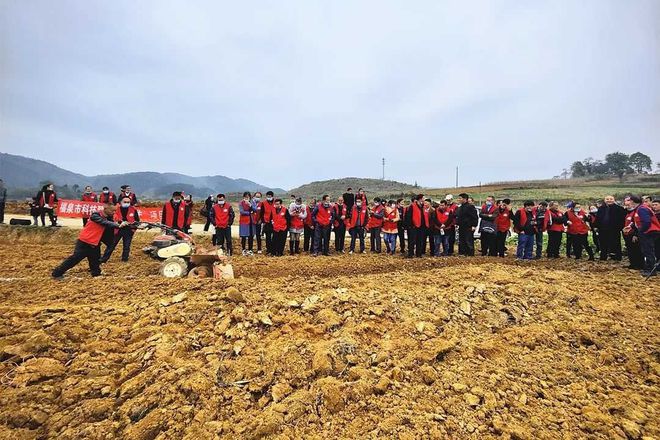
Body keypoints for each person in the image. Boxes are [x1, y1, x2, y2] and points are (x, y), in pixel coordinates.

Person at [52, 204, 129, 279]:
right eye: (112, 210)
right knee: (74, 259)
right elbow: (104, 223)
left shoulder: (109, 217)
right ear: (105, 208)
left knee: (95, 259)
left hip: (95, 242)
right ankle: (57, 273)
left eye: (115, 211)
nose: (114, 212)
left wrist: (126, 224)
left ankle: (96, 274)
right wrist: (117, 225)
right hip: (85, 241)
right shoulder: (95, 215)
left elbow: (116, 222)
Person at [100, 196, 140, 263]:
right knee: (111, 245)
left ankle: (125, 259)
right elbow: (111, 218)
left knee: (126, 245)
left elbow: (137, 221)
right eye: (125, 202)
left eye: (128, 202)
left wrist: (133, 229)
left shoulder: (133, 210)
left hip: (129, 230)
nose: (126, 203)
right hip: (117, 229)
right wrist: (119, 223)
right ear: (121, 202)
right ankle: (104, 259)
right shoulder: (115, 209)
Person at [627, 195, 659, 276]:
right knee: (647, 250)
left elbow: (646, 222)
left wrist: (641, 231)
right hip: (648, 231)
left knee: (648, 251)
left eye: (629, 200)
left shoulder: (641, 209)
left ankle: (650, 270)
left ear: (632, 201)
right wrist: (631, 227)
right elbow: (639, 222)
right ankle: (649, 268)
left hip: (648, 232)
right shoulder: (639, 208)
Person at [594, 195, 626, 261]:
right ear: (605, 200)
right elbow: (597, 218)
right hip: (602, 229)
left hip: (614, 229)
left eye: (611, 199)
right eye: (607, 199)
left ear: (614, 200)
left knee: (616, 243)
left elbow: (623, 219)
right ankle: (603, 257)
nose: (609, 200)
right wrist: (596, 226)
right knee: (603, 243)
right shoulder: (601, 208)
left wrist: (620, 227)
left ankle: (617, 257)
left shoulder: (619, 208)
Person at [623, 197, 643, 270]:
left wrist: (635, 234)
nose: (628, 206)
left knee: (636, 249)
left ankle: (639, 265)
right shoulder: (628, 213)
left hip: (633, 233)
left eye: (630, 204)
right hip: (627, 233)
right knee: (630, 249)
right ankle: (633, 263)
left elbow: (636, 224)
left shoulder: (636, 212)